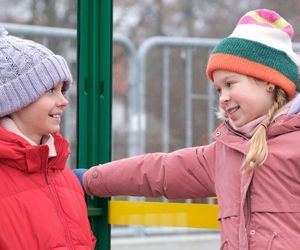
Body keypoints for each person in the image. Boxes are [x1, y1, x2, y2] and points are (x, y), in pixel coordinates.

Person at [74, 9, 300, 250]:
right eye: (218, 89)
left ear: (268, 82)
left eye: (230, 84)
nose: (223, 97)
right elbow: (160, 171)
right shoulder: (224, 153)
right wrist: (91, 178)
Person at [0, 29, 96, 249]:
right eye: (51, 90)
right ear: (14, 100)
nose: (64, 101)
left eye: (62, 90)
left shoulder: (64, 174)